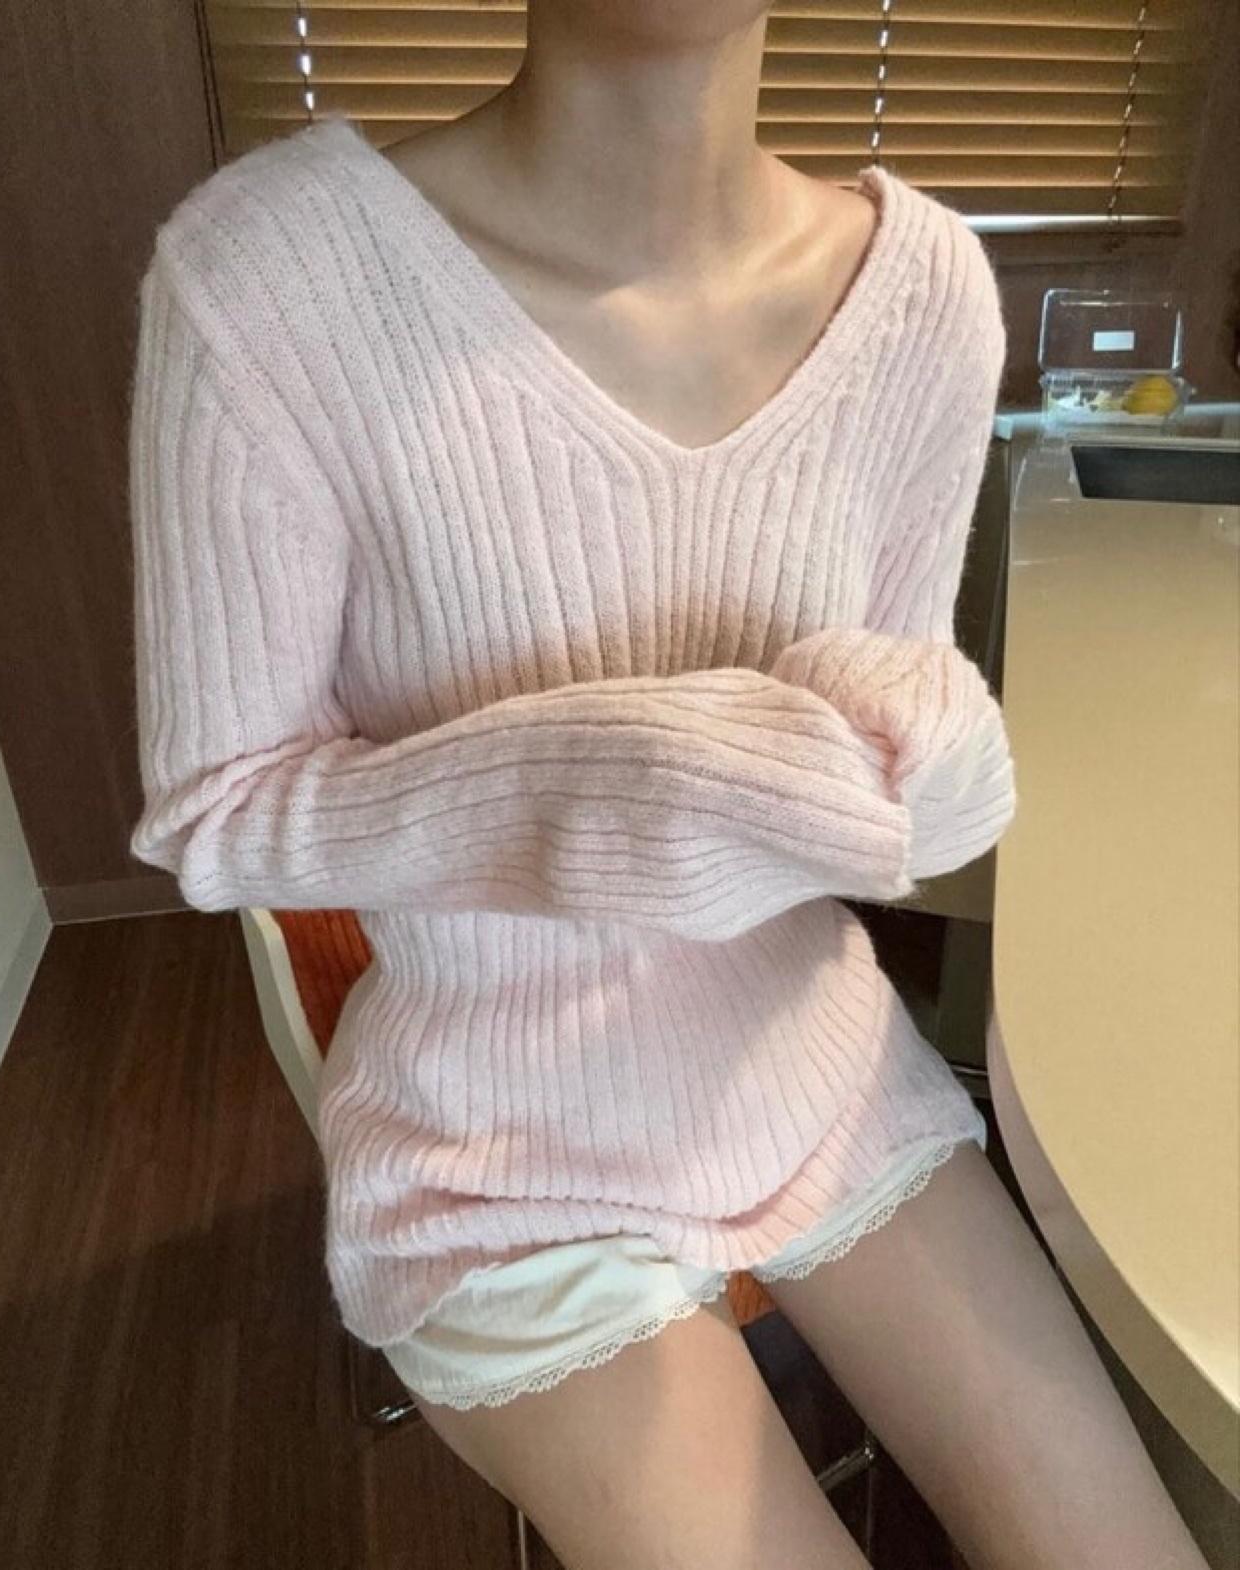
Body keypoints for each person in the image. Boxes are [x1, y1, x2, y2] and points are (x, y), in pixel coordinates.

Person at [126, 3, 1211, 1566]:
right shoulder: (269, 279)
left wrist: (930, 764)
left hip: (816, 1070)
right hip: (493, 1149)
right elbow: (219, 809)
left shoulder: (925, 294)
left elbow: (874, 730)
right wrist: (600, 777)